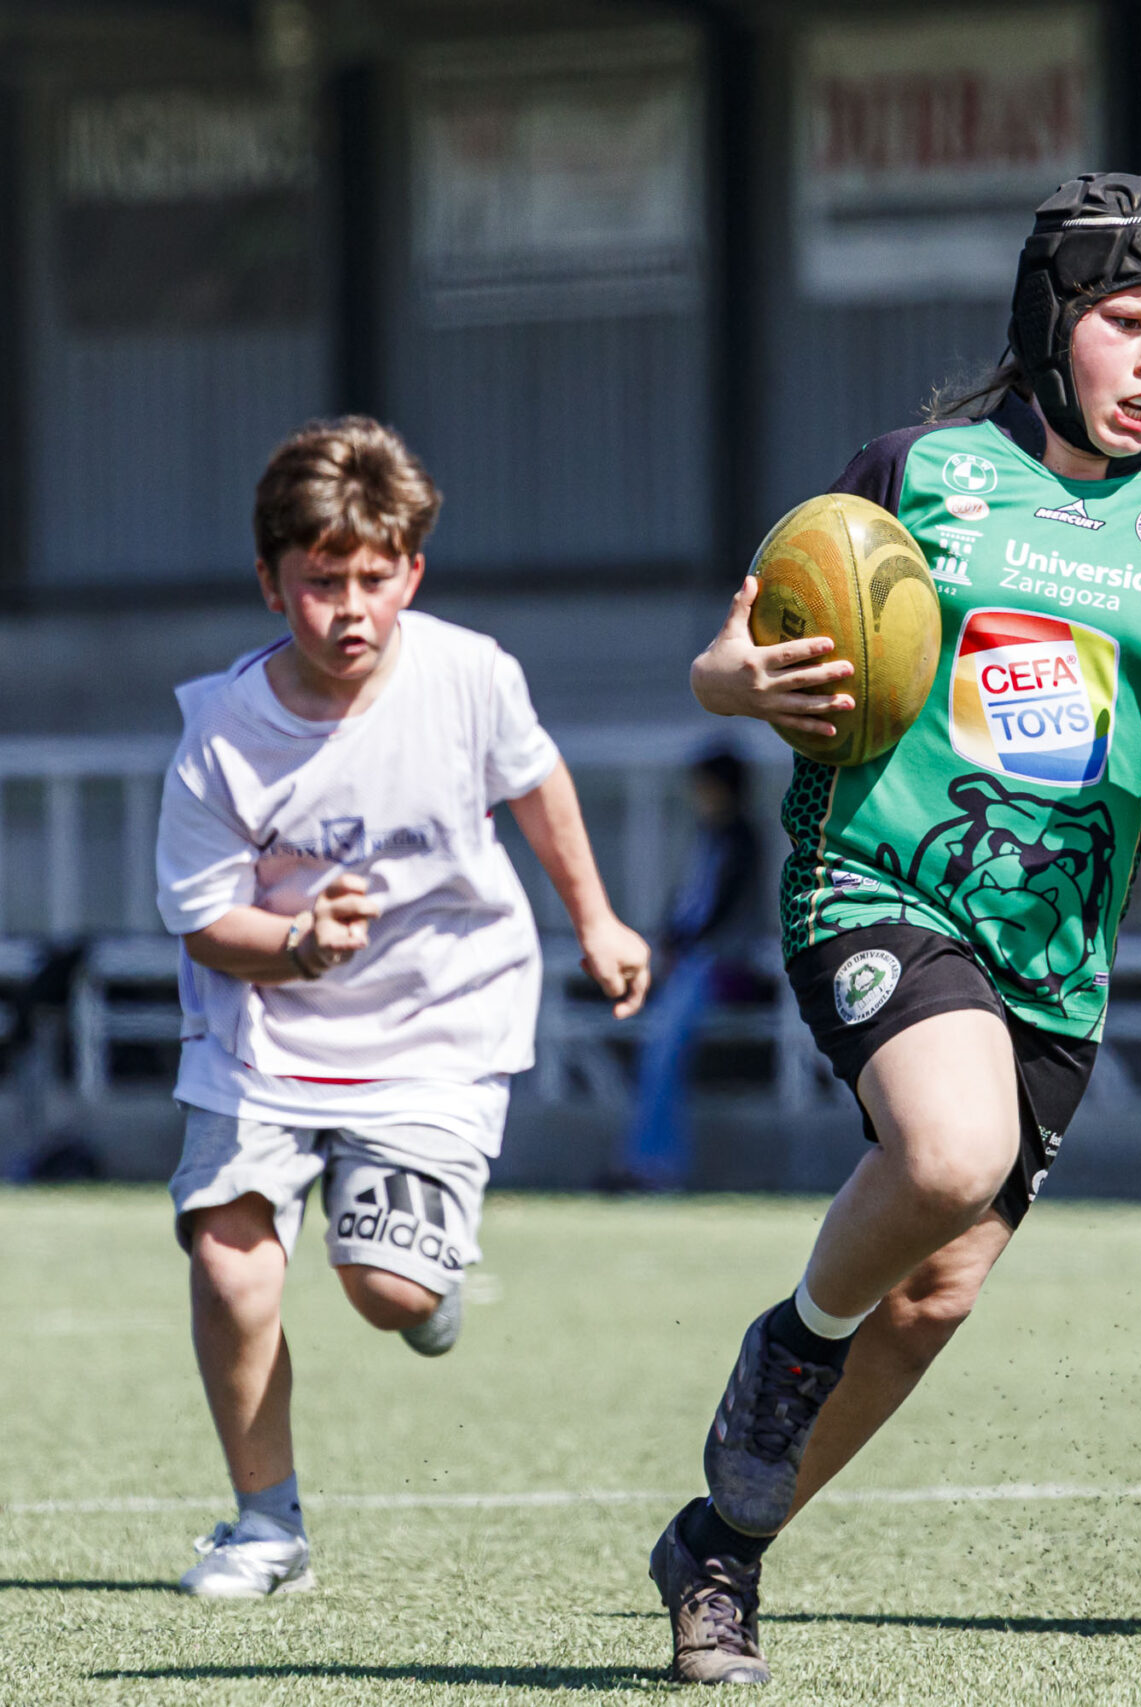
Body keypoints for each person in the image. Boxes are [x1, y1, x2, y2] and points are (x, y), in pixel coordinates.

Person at [648, 174, 1141, 1686]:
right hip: (875, 879)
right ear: (1052, 318)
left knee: (935, 1292)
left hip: (1052, 952)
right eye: (1130, 321)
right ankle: (791, 1344)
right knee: (945, 1150)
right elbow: (733, 648)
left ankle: (720, 1550)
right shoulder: (916, 472)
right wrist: (745, 688)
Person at [159, 417, 651, 1598]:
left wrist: (596, 920)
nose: (350, 609)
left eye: (375, 580)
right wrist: (291, 944)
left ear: (411, 575)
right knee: (233, 1265)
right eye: (322, 581)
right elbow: (199, 920)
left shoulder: (471, 676)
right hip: (264, 1034)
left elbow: (535, 787)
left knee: (387, 1292)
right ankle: (265, 1527)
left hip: (440, 1024)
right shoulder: (220, 732)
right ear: (272, 582)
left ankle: (422, 1290)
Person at [609, 747, 764, 1191]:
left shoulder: (741, 838)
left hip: (721, 968)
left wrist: (683, 944)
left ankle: (657, 1167)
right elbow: (689, 902)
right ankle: (644, 1161)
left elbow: (720, 912)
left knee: (662, 1053)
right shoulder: (708, 835)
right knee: (657, 1054)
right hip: (696, 963)